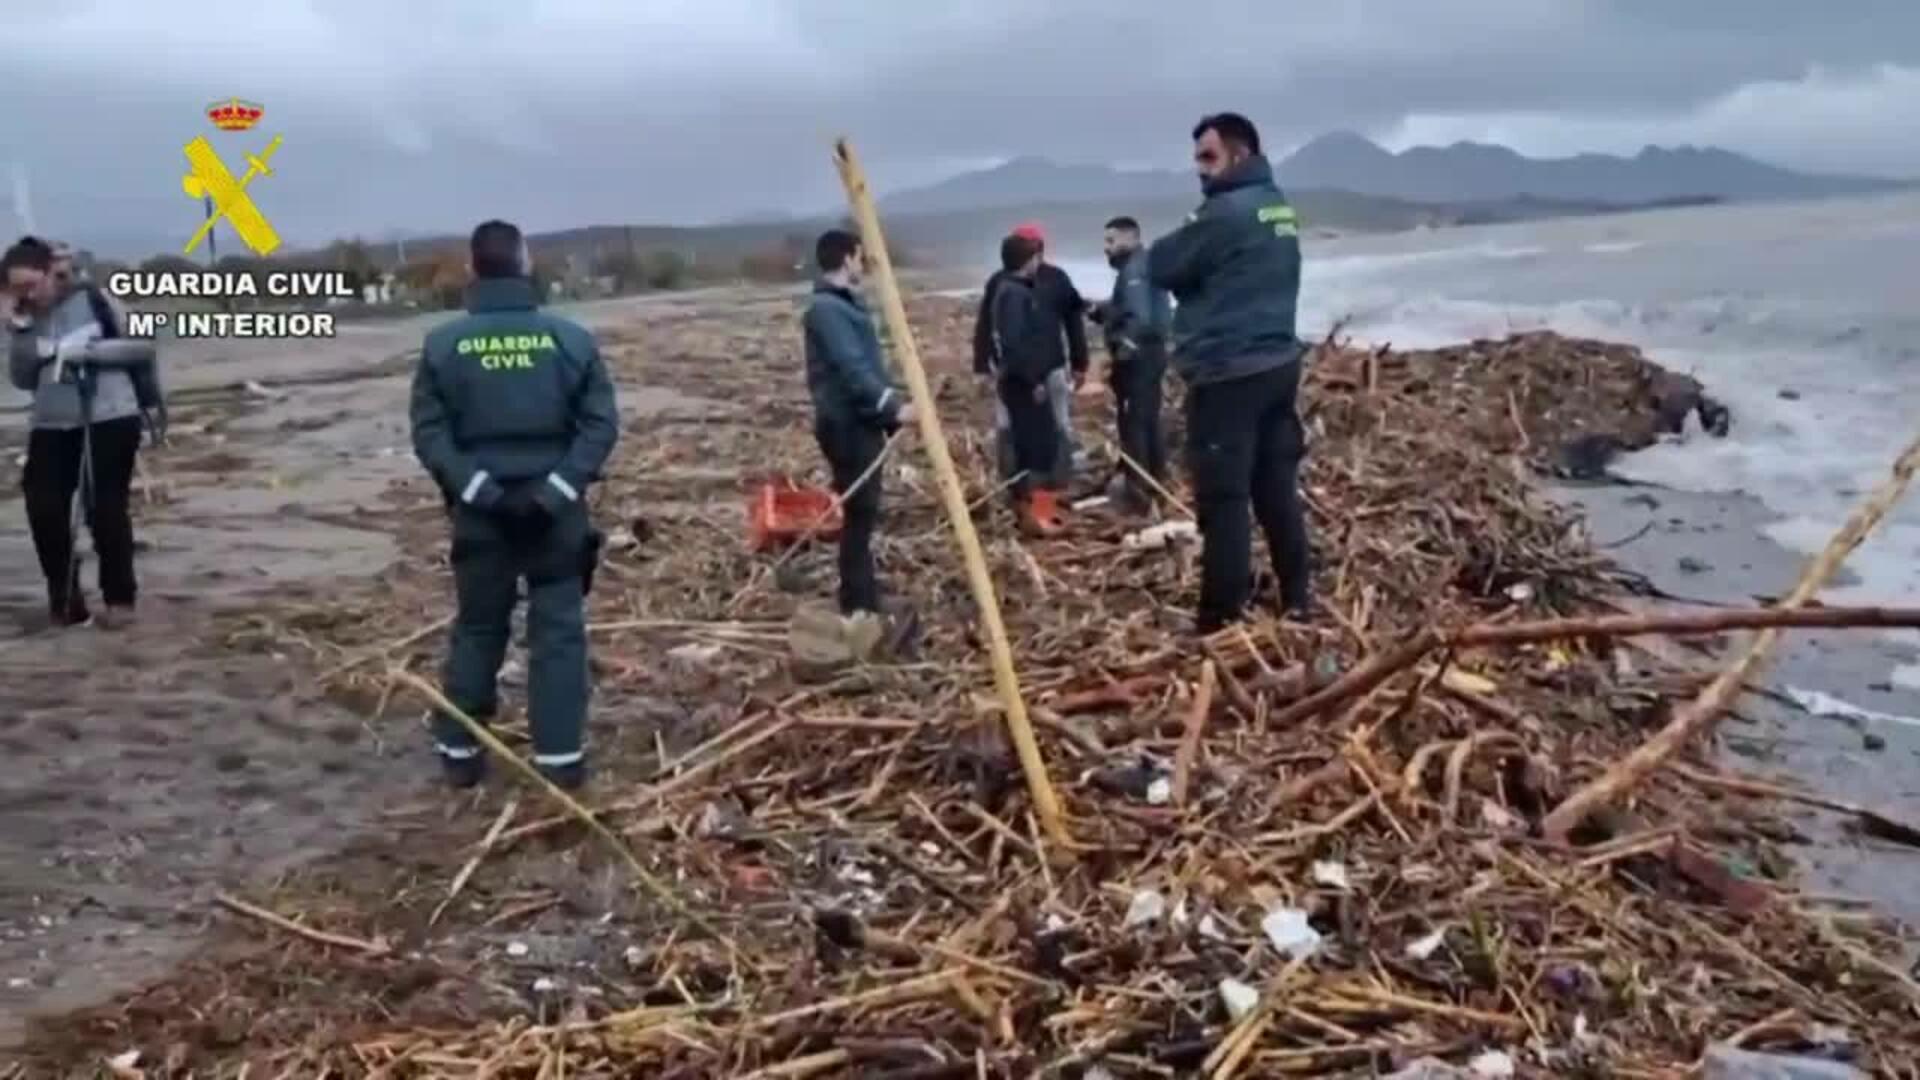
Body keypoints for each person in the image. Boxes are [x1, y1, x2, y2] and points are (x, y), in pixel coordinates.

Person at [409, 219, 619, 790]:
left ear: (474, 270)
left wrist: (480, 491)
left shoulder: (442, 345)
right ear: (525, 264)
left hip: (482, 515)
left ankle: (458, 750)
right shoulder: (570, 340)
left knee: (479, 627)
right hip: (556, 517)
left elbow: (430, 434)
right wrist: (556, 491)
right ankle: (559, 762)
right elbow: (600, 425)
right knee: (558, 631)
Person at [1147, 112, 1312, 632]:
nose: (1199, 169)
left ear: (1238, 154)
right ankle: (1299, 599)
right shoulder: (1275, 206)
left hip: (1228, 374)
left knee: (1225, 499)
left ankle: (1220, 618)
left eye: (1208, 157)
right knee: (1275, 489)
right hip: (1278, 364)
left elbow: (1161, 264)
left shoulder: (1224, 213)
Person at [5, 235, 158, 628]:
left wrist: (86, 353)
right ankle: (65, 596)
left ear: (52, 273)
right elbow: (23, 379)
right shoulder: (24, 318)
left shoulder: (95, 299)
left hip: (110, 414)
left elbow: (142, 346)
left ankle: (120, 600)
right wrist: (20, 332)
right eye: (15, 288)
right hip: (52, 421)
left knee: (104, 508)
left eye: (31, 284)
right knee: (44, 506)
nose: (27, 294)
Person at [802, 228, 913, 617]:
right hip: (847, 425)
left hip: (859, 422)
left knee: (862, 512)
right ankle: (858, 602)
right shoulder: (827, 310)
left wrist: (889, 404)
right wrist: (891, 407)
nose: (862, 264)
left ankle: (861, 594)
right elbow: (852, 369)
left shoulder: (842, 305)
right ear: (847, 258)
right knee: (860, 513)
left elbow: (866, 366)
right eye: (859, 256)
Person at [971, 222, 1088, 486]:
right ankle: (1019, 483)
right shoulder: (1006, 285)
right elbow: (988, 326)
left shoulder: (1055, 279)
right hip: (1019, 372)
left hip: (1048, 368)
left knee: (1056, 425)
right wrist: (981, 364)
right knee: (1010, 426)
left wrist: (1080, 363)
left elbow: (1073, 319)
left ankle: (1054, 482)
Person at [1089, 215, 1173, 514]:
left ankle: (1138, 494)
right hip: (1152, 355)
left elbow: (1140, 316)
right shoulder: (1143, 266)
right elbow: (1130, 307)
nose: (1106, 248)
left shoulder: (1134, 269)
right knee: (1148, 420)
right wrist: (1101, 311)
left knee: (1135, 424)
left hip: (1140, 360)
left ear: (1131, 238)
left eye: (1112, 241)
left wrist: (1122, 354)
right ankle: (1155, 485)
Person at [986, 232, 1065, 537]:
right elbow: (1015, 344)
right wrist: (1034, 380)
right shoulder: (1014, 295)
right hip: (1023, 383)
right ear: (1028, 260)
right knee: (1039, 449)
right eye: (1035, 257)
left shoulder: (1008, 290)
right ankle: (1037, 516)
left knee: (1029, 445)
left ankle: (1028, 512)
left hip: (1018, 380)